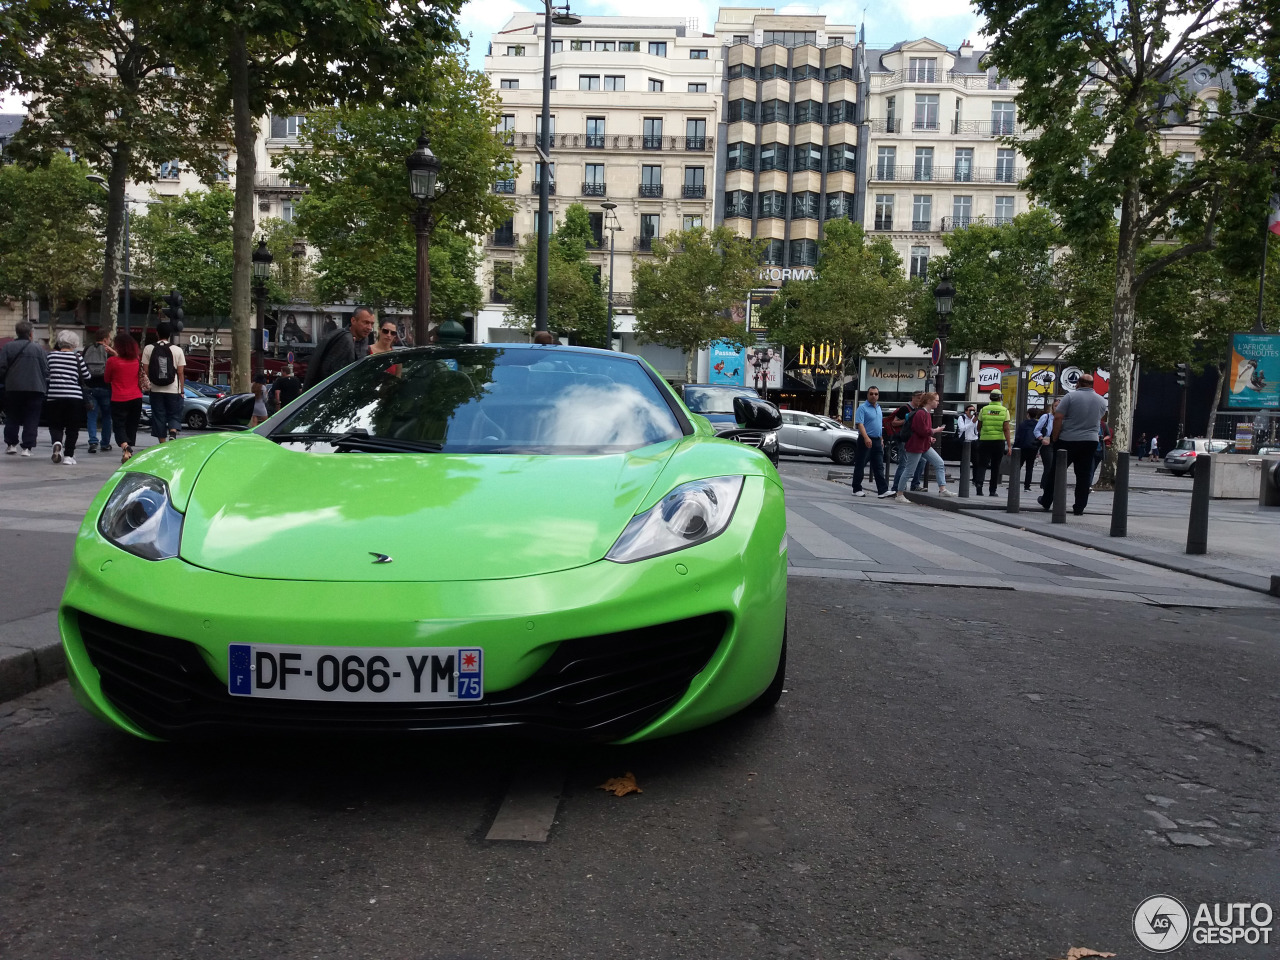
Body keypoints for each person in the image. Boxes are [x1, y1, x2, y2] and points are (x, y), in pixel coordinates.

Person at [1040, 373, 1108, 515]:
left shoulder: (1070, 397)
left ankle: (1047, 500)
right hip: (1090, 441)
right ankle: (1079, 507)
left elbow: (1058, 417)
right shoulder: (1101, 401)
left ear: (1078, 383)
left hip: (1068, 440)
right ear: (1092, 385)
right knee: (1084, 475)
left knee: (1056, 472)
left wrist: (1055, 437)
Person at [0, 320, 50, 457]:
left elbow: (2, 367)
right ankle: (27, 447)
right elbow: (46, 369)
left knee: (12, 416)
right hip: (35, 388)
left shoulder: (8, 347)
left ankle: (11, 444)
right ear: (30, 334)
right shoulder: (39, 349)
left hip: (13, 387)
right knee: (32, 418)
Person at [895, 391, 953, 501]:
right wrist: (935, 430)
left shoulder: (925, 413)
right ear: (929, 401)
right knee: (909, 471)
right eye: (936, 400)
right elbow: (922, 430)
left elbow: (921, 431)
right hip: (916, 446)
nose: (938, 403)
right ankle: (899, 494)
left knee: (939, 463)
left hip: (923, 445)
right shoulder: (921, 413)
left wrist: (929, 437)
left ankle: (942, 489)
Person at [45, 330, 91, 465]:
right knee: (72, 427)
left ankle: (57, 442)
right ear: (74, 344)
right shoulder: (77, 358)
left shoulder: (51, 356)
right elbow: (87, 376)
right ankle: (68, 456)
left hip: (54, 396)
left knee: (55, 424)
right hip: (74, 397)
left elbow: (47, 374)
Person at [304, 307, 375, 388]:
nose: (369, 327)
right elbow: (333, 376)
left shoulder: (365, 339)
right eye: (366, 322)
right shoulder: (344, 339)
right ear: (353, 321)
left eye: (372, 324)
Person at [141, 321, 186, 442]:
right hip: (173, 389)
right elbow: (180, 372)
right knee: (174, 413)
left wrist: (152, 381)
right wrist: (181, 389)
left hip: (156, 389)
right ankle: (172, 432)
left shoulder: (148, 348)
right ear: (170, 334)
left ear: (157, 334)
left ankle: (162, 443)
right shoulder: (177, 350)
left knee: (158, 416)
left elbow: (145, 370)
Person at [105, 331, 143, 463]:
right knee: (132, 425)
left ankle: (125, 446)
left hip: (119, 398)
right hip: (136, 397)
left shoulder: (112, 361)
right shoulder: (136, 361)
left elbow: (107, 378)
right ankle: (127, 453)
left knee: (119, 426)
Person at [850, 387, 890, 498]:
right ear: (867, 395)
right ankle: (856, 488)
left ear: (878, 395)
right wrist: (866, 438)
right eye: (871, 393)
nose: (874, 396)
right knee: (860, 464)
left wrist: (881, 438)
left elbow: (878, 425)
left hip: (877, 440)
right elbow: (860, 424)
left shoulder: (878, 407)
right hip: (866, 439)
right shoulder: (862, 408)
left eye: (876, 394)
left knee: (879, 466)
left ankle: (882, 490)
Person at [974, 388, 1012, 496]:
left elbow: (979, 426)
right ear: (1000, 398)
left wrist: (983, 433)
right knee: (996, 466)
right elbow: (1006, 429)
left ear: (990, 397)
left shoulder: (983, 410)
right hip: (998, 441)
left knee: (982, 464)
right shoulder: (1004, 411)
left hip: (985, 440)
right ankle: (992, 490)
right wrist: (1009, 446)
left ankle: (979, 486)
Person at [888, 391, 927, 494]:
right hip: (904, 439)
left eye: (922, 398)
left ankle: (915, 484)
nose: (920, 400)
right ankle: (896, 487)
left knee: (922, 461)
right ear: (913, 398)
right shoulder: (905, 408)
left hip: (914, 440)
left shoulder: (920, 410)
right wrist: (907, 420)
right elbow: (894, 422)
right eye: (919, 398)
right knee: (904, 463)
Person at [83, 329, 115, 454]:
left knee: (91, 416)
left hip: (90, 387)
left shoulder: (87, 349)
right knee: (107, 416)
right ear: (106, 339)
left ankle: (92, 442)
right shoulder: (108, 351)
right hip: (106, 387)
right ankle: (105, 443)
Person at [1014, 409, 1040, 491]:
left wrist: (1015, 447)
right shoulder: (1038, 424)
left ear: (1028, 414)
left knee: (1018, 466)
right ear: (1036, 416)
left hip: (1022, 447)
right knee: (1029, 468)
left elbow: (1018, 437)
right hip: (1033, 448)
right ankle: (1027, 486)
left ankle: (1014, 483)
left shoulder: (1023, 424)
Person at [1034, 401, 1057, 482]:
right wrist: (1041, 438)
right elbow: (1036, 430)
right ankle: (1045, 486)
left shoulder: (1064, 418)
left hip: (1058, 443)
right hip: (1048, 443)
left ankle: (1053, 487)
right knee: (1049, 466)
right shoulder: (1046, 417)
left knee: (1057, 467)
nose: (1057, 408)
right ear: (1052, 407)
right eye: (1056, 406)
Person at [957, 402, 980, 479]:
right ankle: (963, 477)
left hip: (974, 441)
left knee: (976, 461)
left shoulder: (975, 419)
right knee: (964, 461)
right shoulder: (962, 418)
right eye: (970, 410)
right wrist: (971, 422)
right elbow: (962, 428)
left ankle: (975, 479)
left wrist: (976, 422)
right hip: (965, 441)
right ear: (966, 411)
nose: (972, 412)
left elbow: (976, 431)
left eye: (973, 410)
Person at [1090, 413, 1113, 485]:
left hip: (1099, 450)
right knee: (1091, 468)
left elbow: (1109, 435)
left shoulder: (1103, 425)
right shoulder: (1090, 424)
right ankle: (1088, 484)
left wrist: (1103, 438)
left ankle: (1088, 484)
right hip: (1091, 450)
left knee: (1093, 469)